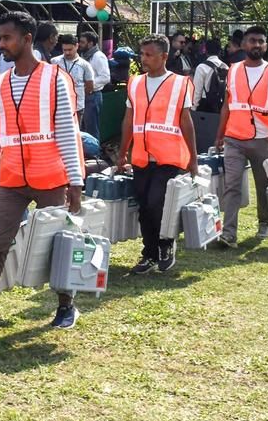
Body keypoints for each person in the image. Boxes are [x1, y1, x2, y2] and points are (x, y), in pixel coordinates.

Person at [0, 11, 84, 343]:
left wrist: (75, 181)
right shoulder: (1, 82)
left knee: (58, 245)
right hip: (12, 179)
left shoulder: (54, 78)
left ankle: (66, 305)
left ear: (26, 39)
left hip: (51, 177)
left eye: (7, 38)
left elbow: (68, 131)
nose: (1, 44)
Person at [116, 34, 198, 273]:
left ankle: (165, 243)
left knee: (156, 203)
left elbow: (186, 121)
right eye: (142, 54)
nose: (144, 59)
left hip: (169, 156)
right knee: (143, 205)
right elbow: (129, 119)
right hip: (141, 155)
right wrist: (122, 153)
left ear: (164, 56)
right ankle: (149, 253)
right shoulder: (135, 83)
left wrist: (193, 159)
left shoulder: (180, 84)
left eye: (149, 55)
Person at [215, 25, 268, 248]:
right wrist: (219, 135)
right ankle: (229, 234)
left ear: (265, 46)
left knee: (263, 184)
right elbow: (227, 105)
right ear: (244, 44)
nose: (256, 44)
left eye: (260, 41)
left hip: (262, 137)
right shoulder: (233, 70)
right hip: (234, 137)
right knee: (232, 185)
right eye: (252, 40)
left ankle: (265, 221)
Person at [51, 34, 94, 119]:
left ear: (77, 46)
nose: (67, 52)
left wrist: (76, 94)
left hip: (77, 106)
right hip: (58, 106)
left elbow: (90, 86)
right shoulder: (54, 61)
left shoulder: (85, 65)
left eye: (70, 50)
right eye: (64, 50)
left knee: (76, 130)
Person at [78, 31, 110, 139]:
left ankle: (95, 154)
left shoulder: (98, 56)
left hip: (93, 96)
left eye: (82, 42)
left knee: (91, 129)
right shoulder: (84, 55)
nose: (79, 44)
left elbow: (105, 77)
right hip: (83, 95)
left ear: (90, 43)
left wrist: (89, 85)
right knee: (82, 128)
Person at [192, 43, 229, 113]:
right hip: (220, 105)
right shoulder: (225, 67)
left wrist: (194, 108)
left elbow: (197, 90)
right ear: (219, 52)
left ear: (206, 51)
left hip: (204, 104)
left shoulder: (201, 67)